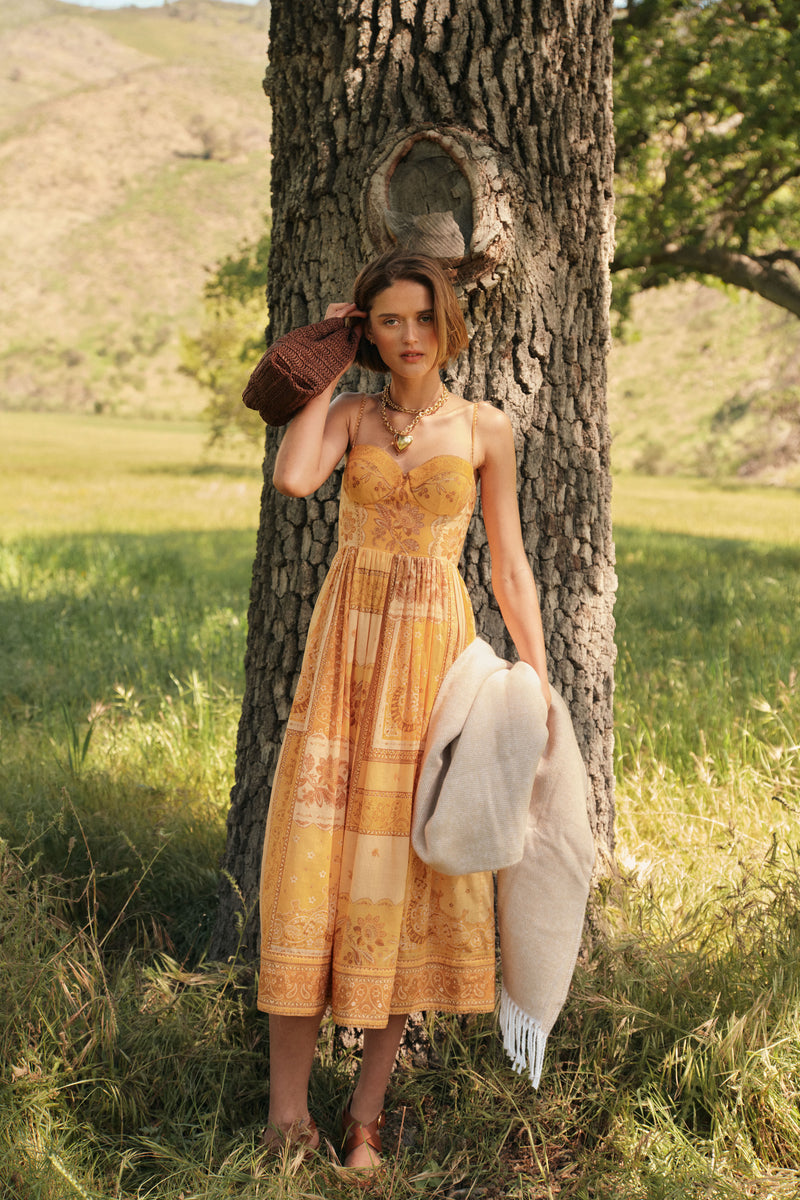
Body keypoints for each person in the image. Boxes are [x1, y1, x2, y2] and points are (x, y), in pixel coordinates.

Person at [256, 249, 552, 1174]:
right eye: (388, 320)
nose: (409, 337)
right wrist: (330, 362)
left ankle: (365, 1122)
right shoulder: (350, 414)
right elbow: (297, 479)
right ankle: (286, 1117)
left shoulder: (486, 429)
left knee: (405, 878)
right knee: (313, 867)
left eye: (422, 318)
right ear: (371, 329)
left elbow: (506, 566)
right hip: (344, 656)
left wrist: (538, 677)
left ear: (448, 323)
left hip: (431, 660)